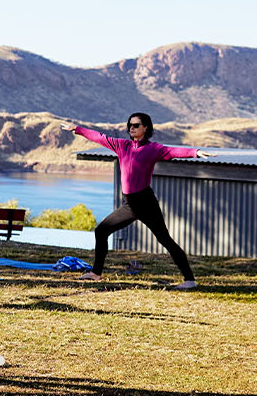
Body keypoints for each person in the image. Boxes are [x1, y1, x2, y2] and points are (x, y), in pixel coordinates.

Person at [62, 115, 211, 290]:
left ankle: (189, 280)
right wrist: (77, 129)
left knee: (165, 240)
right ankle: (96, 273)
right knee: (101, 231)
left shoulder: (153, 149)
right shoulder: (121, 145)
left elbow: (172, 151)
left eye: (136, 125)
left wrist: (194, 152)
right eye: (129, 125)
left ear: (145, 127)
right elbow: (99, 137)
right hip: (129, 204)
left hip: (146, 203)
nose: (131, 128)